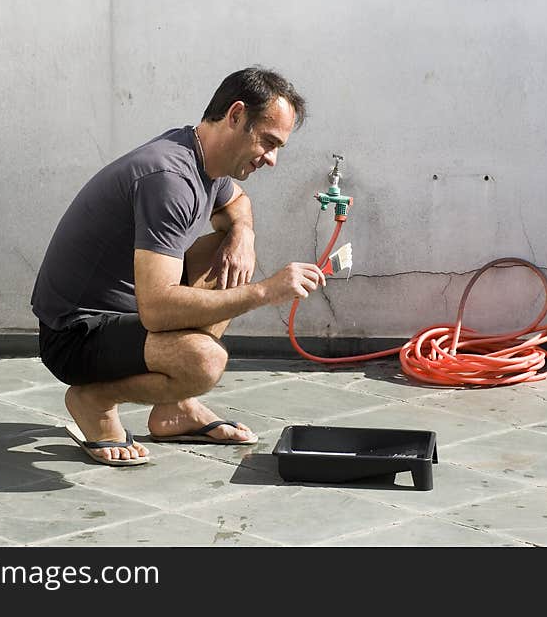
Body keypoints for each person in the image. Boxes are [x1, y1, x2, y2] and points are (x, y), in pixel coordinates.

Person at [31, 66, 326, 466]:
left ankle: (175, 408)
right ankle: (94, 400)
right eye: (268, 142)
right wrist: (265, 291)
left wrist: (243, 234)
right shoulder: (170, 179)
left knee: (228, 249)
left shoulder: (200, 156)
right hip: (74, 335)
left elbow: (237, 204)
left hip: (121, 314)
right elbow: (158, 308)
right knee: (204, 361)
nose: (272, 160)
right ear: (236, 116)